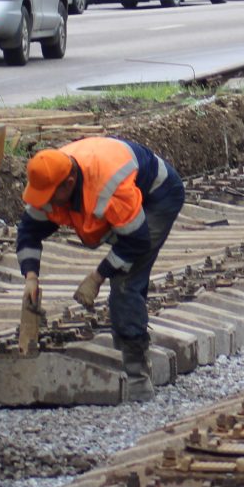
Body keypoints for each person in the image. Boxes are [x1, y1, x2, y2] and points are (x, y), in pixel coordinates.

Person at [17, 137, 184, 402]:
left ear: (69, 184)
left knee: (125, 282)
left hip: (159, 196)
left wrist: (97, 277)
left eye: (49, 197)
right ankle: (135, 349)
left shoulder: (109, 188)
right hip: (122, 204)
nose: (45, 202)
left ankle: (138, 377)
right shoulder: (50, 178)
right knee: (126, 270)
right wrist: (30, 277)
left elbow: (136, 241)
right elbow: (28, 231)